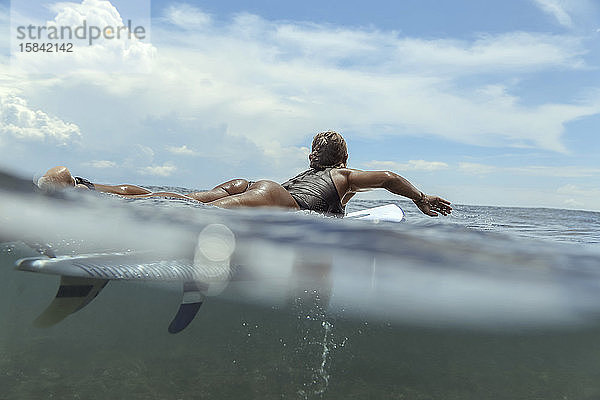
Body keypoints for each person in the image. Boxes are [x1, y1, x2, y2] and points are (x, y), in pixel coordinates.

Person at [38, 131, 452, 217]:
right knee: (184, 210)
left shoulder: (311, 176)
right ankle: (83, 194)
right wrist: (419, 198)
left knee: (182, 199)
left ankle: (80, 186)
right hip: (276, 198)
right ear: (342, 160)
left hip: (255, 184)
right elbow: (389, 177)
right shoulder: (344, 178)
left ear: (312, 158)